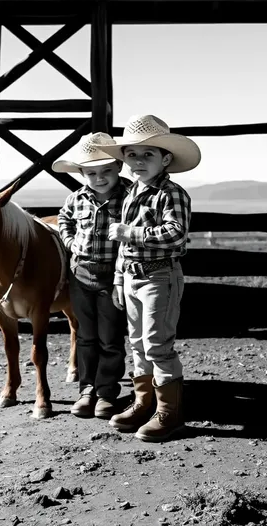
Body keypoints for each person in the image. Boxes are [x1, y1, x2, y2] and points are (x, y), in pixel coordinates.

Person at [93, 114, 201, 442]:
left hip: (160, 278)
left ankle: (170, 414)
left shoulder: (172, 194)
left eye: (148, 154)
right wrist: (117, 279)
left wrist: (132, 232)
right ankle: (144, 403)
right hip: (132, 278)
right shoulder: (132, 193)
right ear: (124, 160)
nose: (138, 161)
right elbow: (123, 249)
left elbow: (176, 235)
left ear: (166, 159)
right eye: (132, 155)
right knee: (137, 345)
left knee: (157, 345)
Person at [52, 132, 128, 420]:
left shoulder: (129, 196)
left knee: (110, 337)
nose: (99, 178)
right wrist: (70, 242)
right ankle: (87, 390)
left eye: (106, 170)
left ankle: (107, 392)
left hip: (113, 277)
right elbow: (63, 219)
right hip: (80, 275)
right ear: (82, 173)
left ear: (118, 168)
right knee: (85, 336)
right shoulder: (76, 198)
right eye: (91, 173)